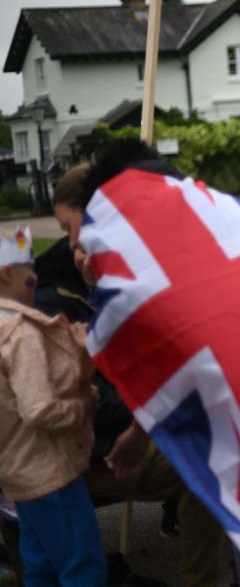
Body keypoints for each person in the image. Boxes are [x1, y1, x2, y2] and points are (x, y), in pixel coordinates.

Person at [52, 149, 226, 587]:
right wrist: (144, 423)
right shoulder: (57, 287)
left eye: (73, 229)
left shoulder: (129, 270)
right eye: (66, 233)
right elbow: (81, 388)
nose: (74, 245)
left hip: (127, 428)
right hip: (71, 453)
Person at [0, 225, 107, 586]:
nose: (36, 278)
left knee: (41, 565)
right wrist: (82, 406)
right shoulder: (20, 334)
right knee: (83, 567)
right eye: (31, 271)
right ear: (6, 273)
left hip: (18, 476)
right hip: (50, 474)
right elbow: (39, 409)